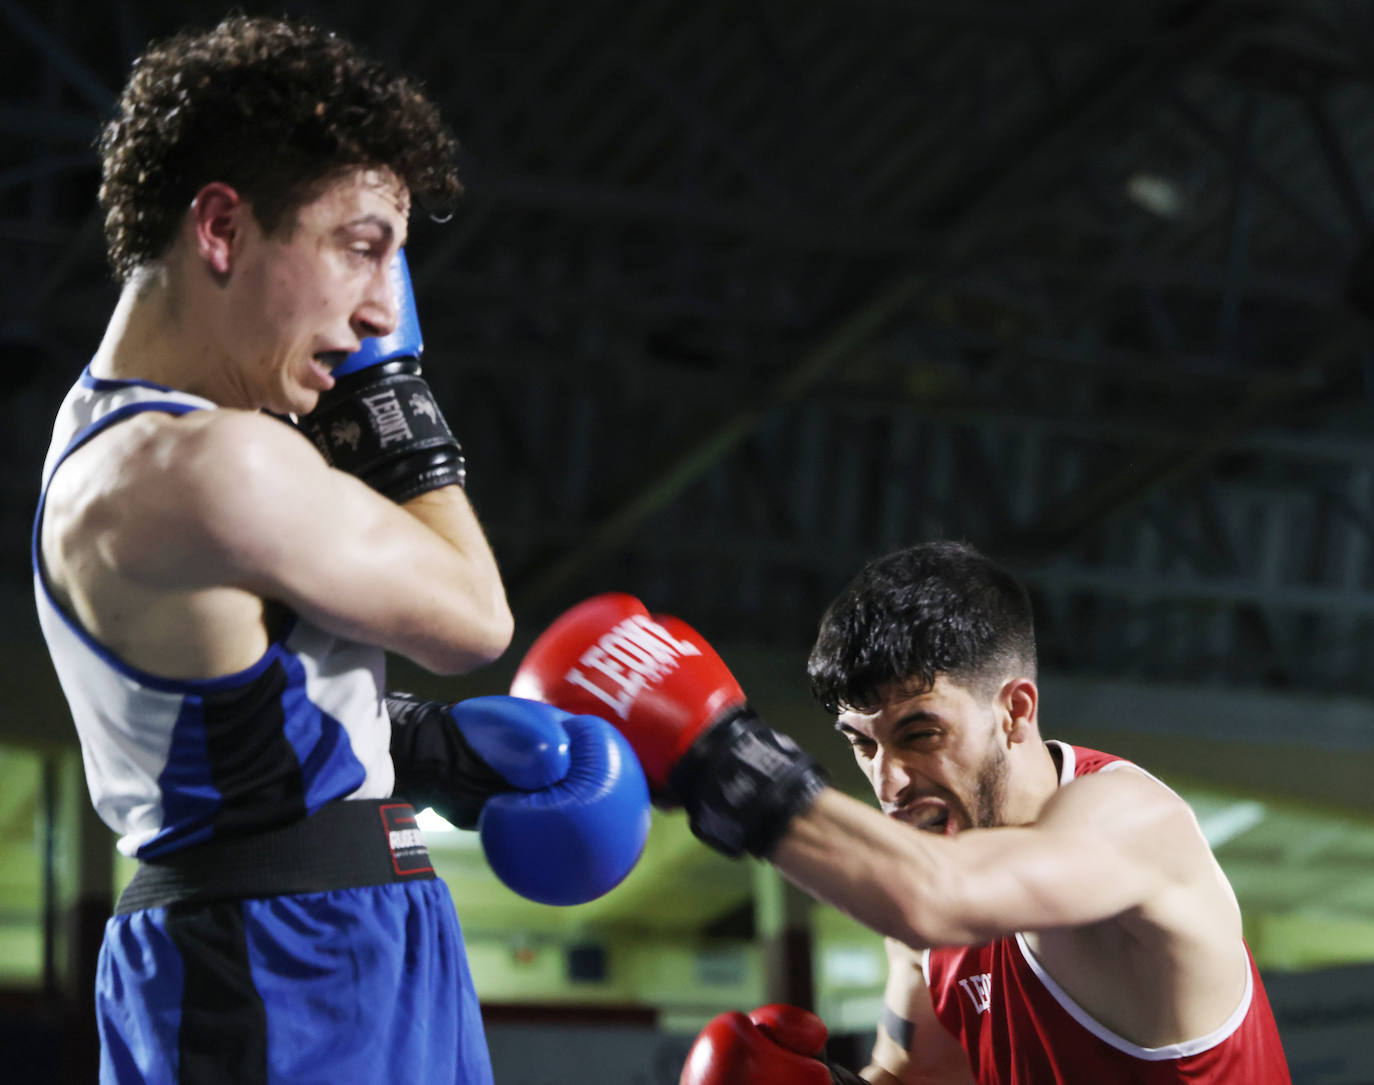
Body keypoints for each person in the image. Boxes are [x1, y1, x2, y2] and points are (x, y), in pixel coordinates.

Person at [34, 15, 648, 1084]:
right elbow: (474, 619)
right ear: (221, 228)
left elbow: (219, 707)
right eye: (362, 246)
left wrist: (412, 745)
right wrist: (390, 394)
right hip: (278, 965)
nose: (379, 310)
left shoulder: (158, 439)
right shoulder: (203, 466)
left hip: (334, 936)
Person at [511, 542, 1293, 1083]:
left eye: (920, 733)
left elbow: (942, 894)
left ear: (1014, 710)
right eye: (862, 743)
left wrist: (721, 758)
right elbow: (921, 1073)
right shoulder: (920, 880)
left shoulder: (1133, 821)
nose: (891, 779)